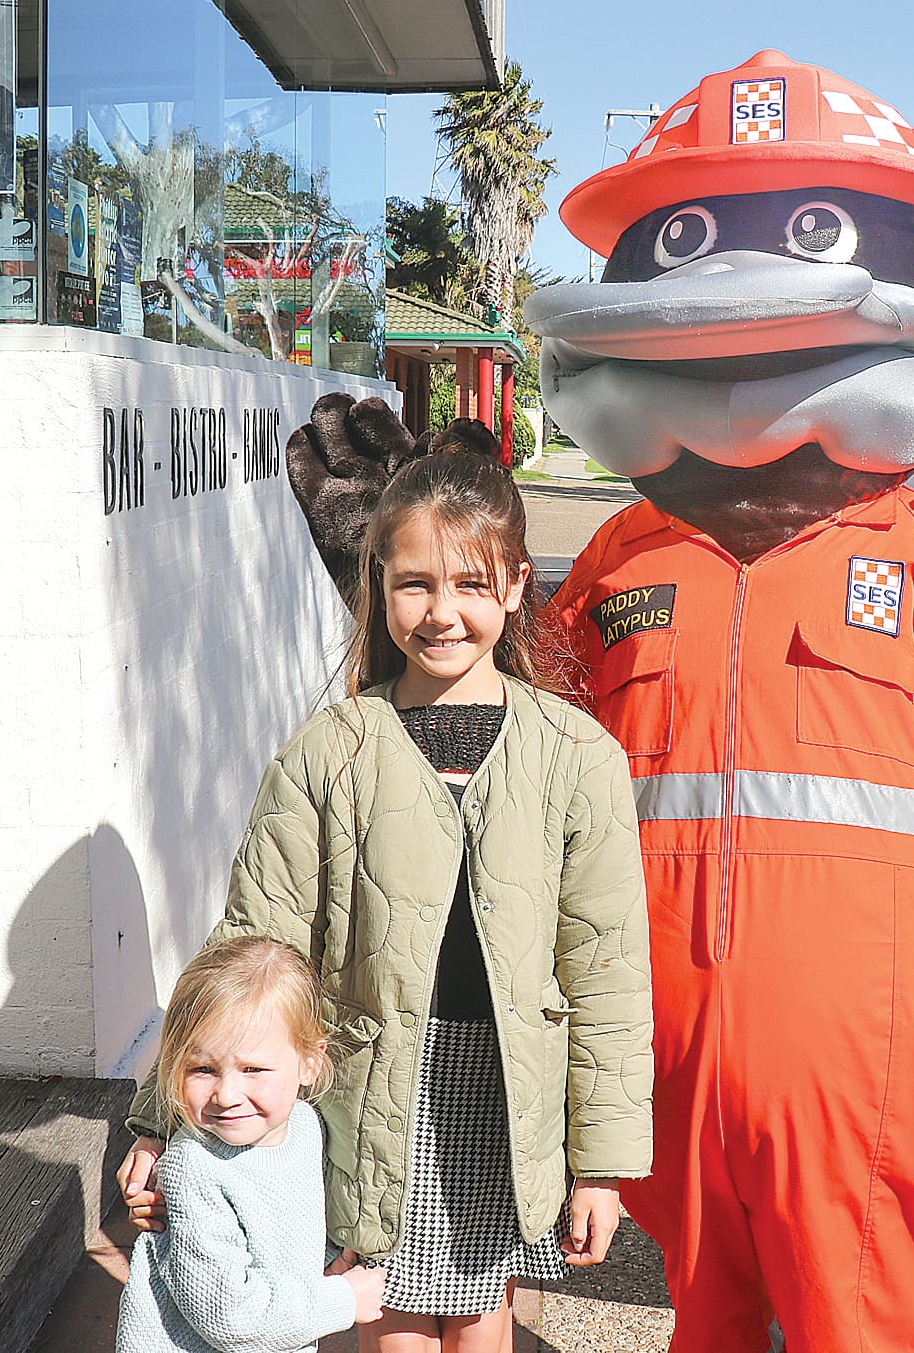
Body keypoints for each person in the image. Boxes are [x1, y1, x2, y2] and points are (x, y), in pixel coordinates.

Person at [117, 453, 654, 1353]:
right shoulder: (331, 753)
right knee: (384, 1312)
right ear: (378, 584)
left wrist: (601, 1165)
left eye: (471, 583)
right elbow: (253, 943)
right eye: (414, 583)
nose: (443, 612)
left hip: (508, 1092)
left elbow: (608, 974)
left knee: (484, 1313)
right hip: (373, 1091)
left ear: (518, 585)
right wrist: (160, 1119)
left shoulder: (578, 758)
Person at [116, 935, 387, 1353]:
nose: (226, 1094)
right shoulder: (195, 1167)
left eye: (253, 1068)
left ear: (310, 1062)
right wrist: (344, 1300)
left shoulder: (305, 1127)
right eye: (203, 1069)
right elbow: (231, 1320)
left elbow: (284, 1229)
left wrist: (332, 1259)